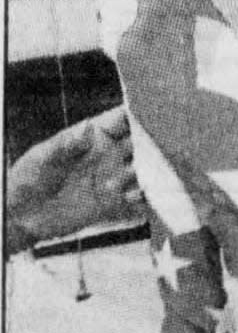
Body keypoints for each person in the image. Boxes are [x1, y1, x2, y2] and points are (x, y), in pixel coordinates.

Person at [5, 107, 142, 258]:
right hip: (109, 180)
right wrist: (23, 228)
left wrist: (14, 212)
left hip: (106, 145)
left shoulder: (19, 193)